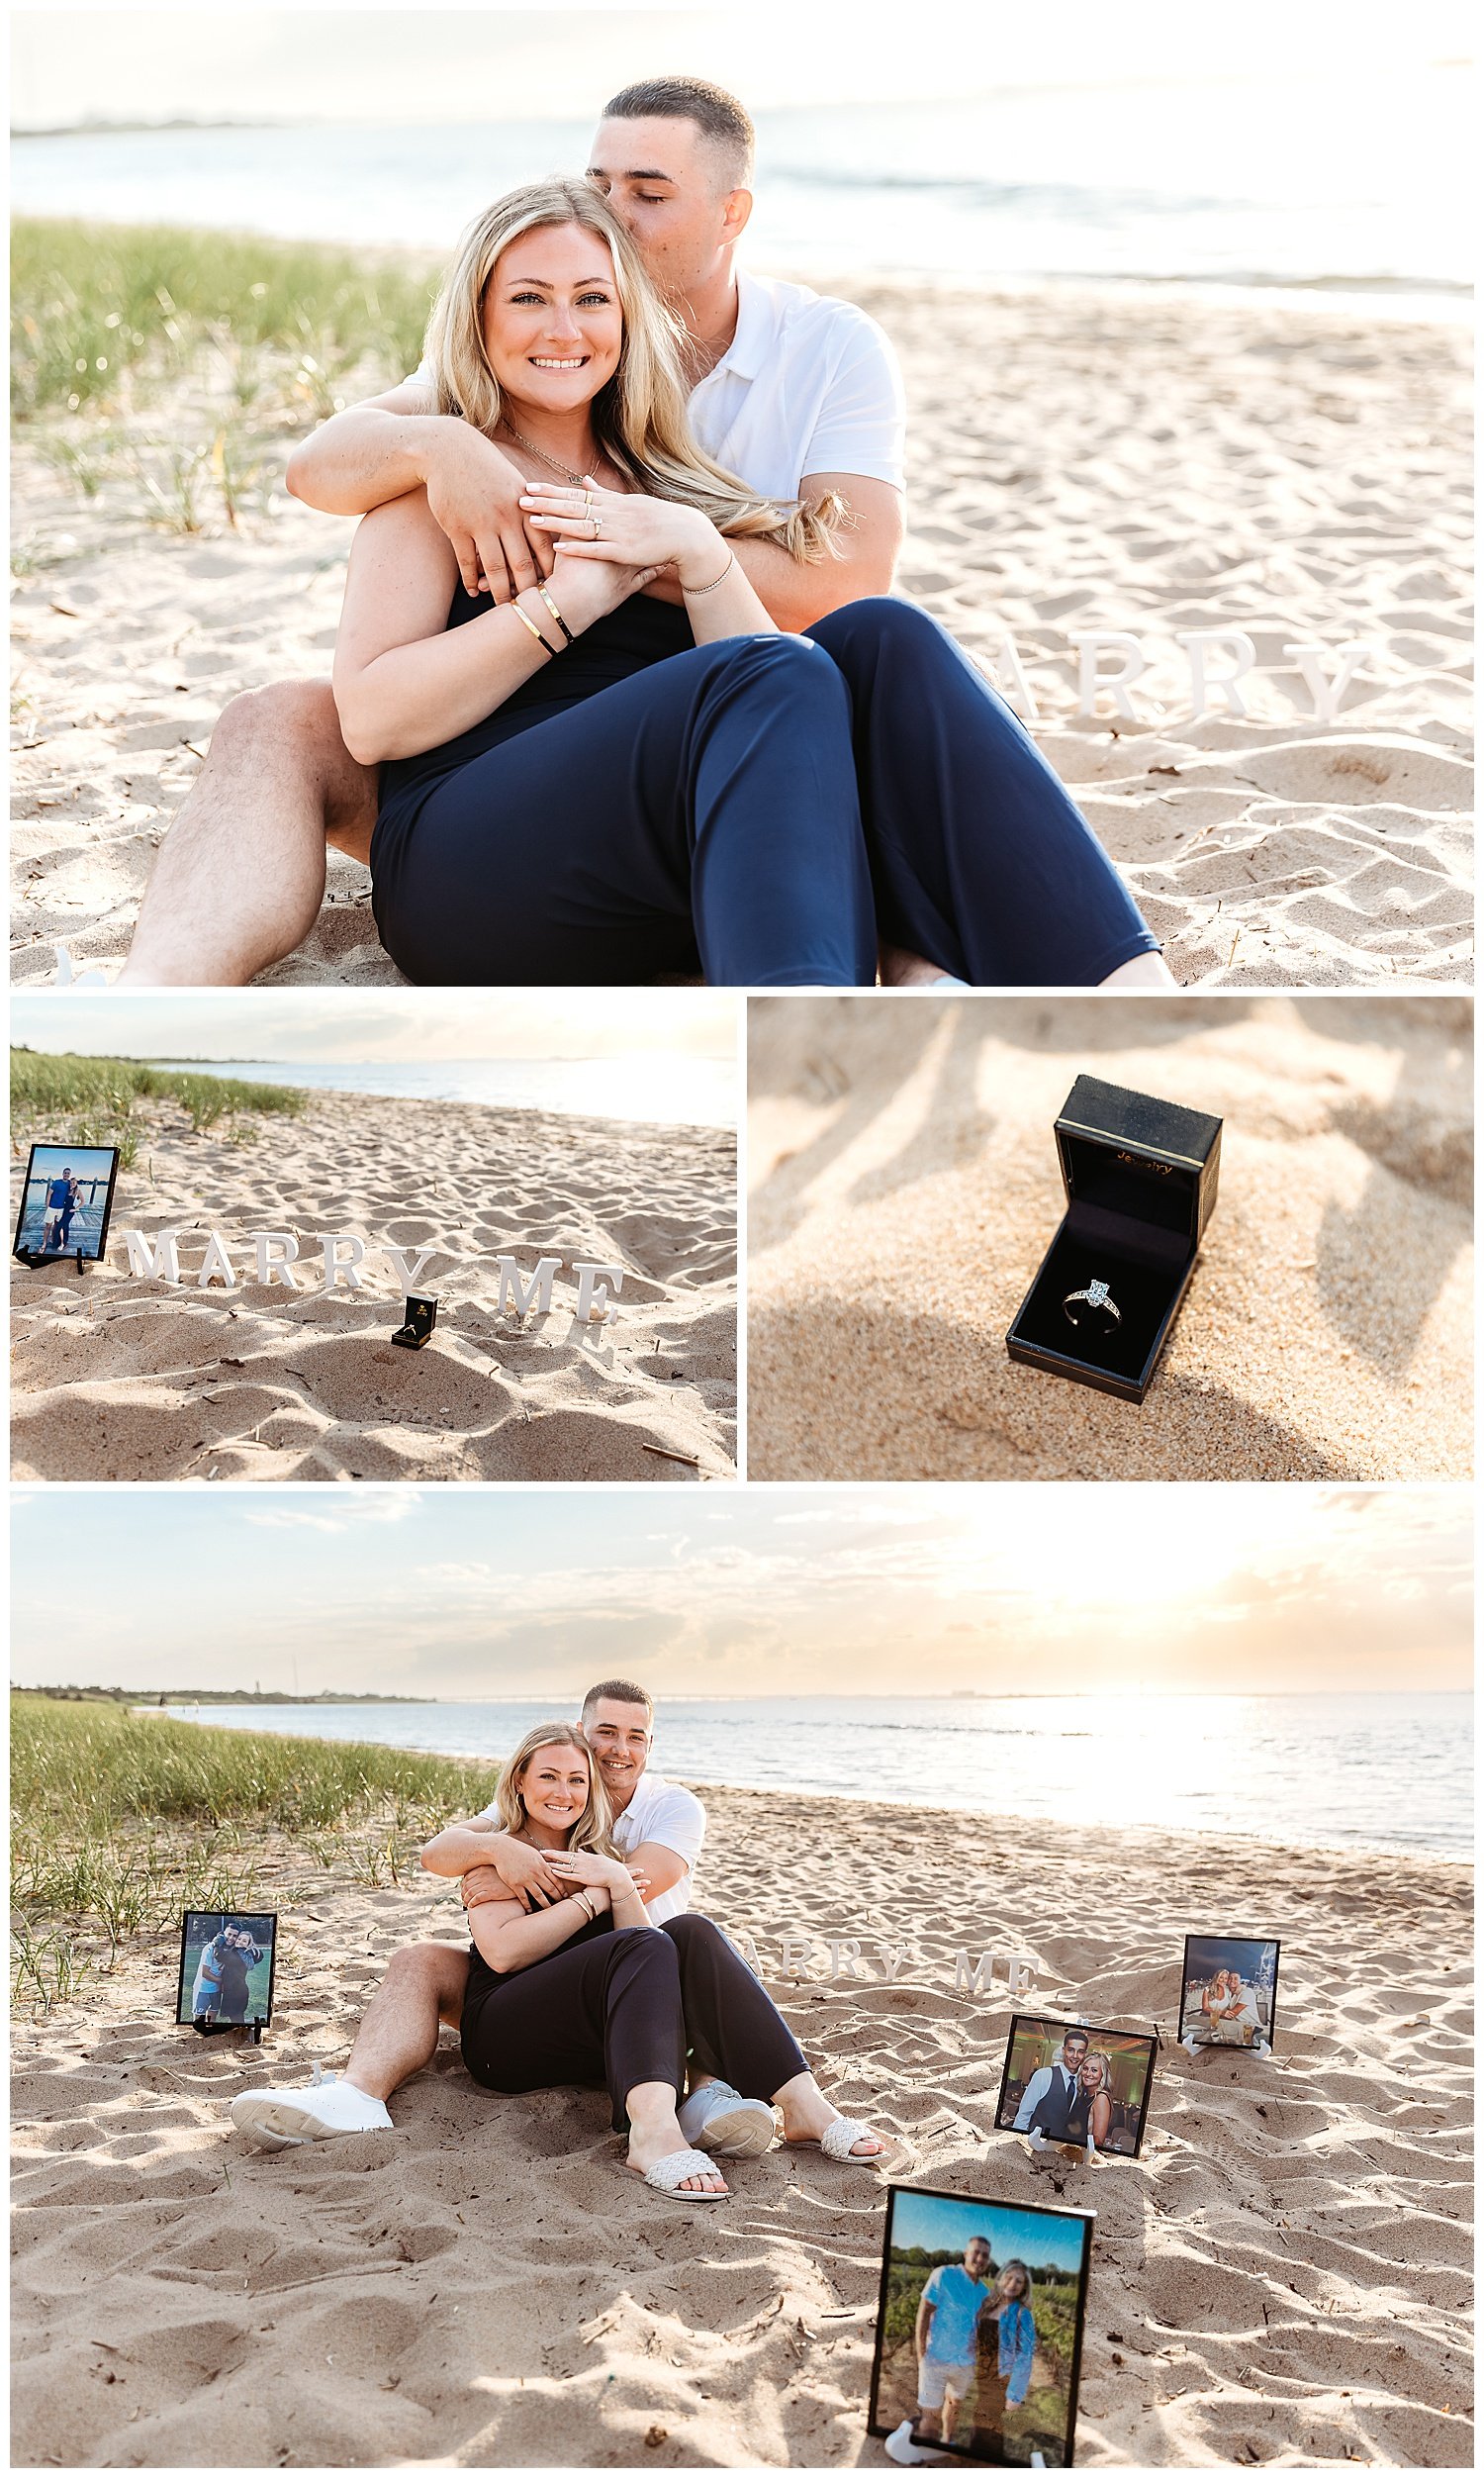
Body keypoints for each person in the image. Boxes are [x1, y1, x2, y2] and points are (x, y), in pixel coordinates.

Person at [119, 76, 1174, 993]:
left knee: (873, 641)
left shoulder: (675, 472)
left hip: (647, 855)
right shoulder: (441, 472)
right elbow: (374, 717)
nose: (564, 324)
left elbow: (793, 664)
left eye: (590, 298)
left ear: (630, 321)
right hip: (476, 865)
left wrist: (696, 552)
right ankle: (810, 1031)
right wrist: (565, 595)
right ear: (478, 321)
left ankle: (1130, 988)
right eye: (528, 298)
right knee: (767, 673)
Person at [229, 1678, 877, 2173]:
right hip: (528, 2009)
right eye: (604, 1735)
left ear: (649, 1746)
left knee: (686, 1936)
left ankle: (771, 2102)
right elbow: (445, 1864)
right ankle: (356, 2095)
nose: (615, 1751)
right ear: (575, 1736)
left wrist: (598, 1879)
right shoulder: (519, 1818)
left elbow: (646, 1887)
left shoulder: (667, 1808)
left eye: (636, 1737)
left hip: (655, 2003)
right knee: (423, 1958)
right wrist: (500, 1852)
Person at [450, 1721, 885, 2196]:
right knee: (648, 1941)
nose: (564, 1792)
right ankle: (654, 2134)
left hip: (586, 2043)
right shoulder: (501, 1847)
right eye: (548, 1777)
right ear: (519, 1781)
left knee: (687, 1931)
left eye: (577, 1780)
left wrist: (616, 1882)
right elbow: (503, 1952)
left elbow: (641, 1941)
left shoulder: (601, 1855)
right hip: (506, 2040)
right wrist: (592, 1899)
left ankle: (805, 2107)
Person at [911, 2234, 991, 2445]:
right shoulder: (944, 2275)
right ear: (965, 2254)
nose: (980, 2259)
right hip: (935, 2357)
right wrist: (921, 2353)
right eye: (976, 2252)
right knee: (930, 2413)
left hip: (964, 2363)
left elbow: (979, 2326)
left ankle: (947, 2440)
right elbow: (924, 2312)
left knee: (955, 2403)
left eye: (985, 2255)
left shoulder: (984, 2292)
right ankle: (923, 2454)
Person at [967, 2261, 1038, 2455]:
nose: (1013, 2283)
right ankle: (977, 2454)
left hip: (1000, 2374)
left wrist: (1015, 2394)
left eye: (1019, 2281)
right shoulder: (988, 2305)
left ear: (1024, 2287)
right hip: (981, 2370)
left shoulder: (1023, 2314)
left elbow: (1026, 2354)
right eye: (1009, 2277)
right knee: (979, 2412)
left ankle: (991, 2458)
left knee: (990, 2417)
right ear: (1001, 2278)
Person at [1010, 2026, 1090, 2141]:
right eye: (1071, 2050)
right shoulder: (1043, 2075)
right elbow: (1024, 2115)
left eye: (1080, 2052)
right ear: (1064, 2050)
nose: (1075, 2056)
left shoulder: (1082, 2083)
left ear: (1085, 2054)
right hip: (1035, 2144)